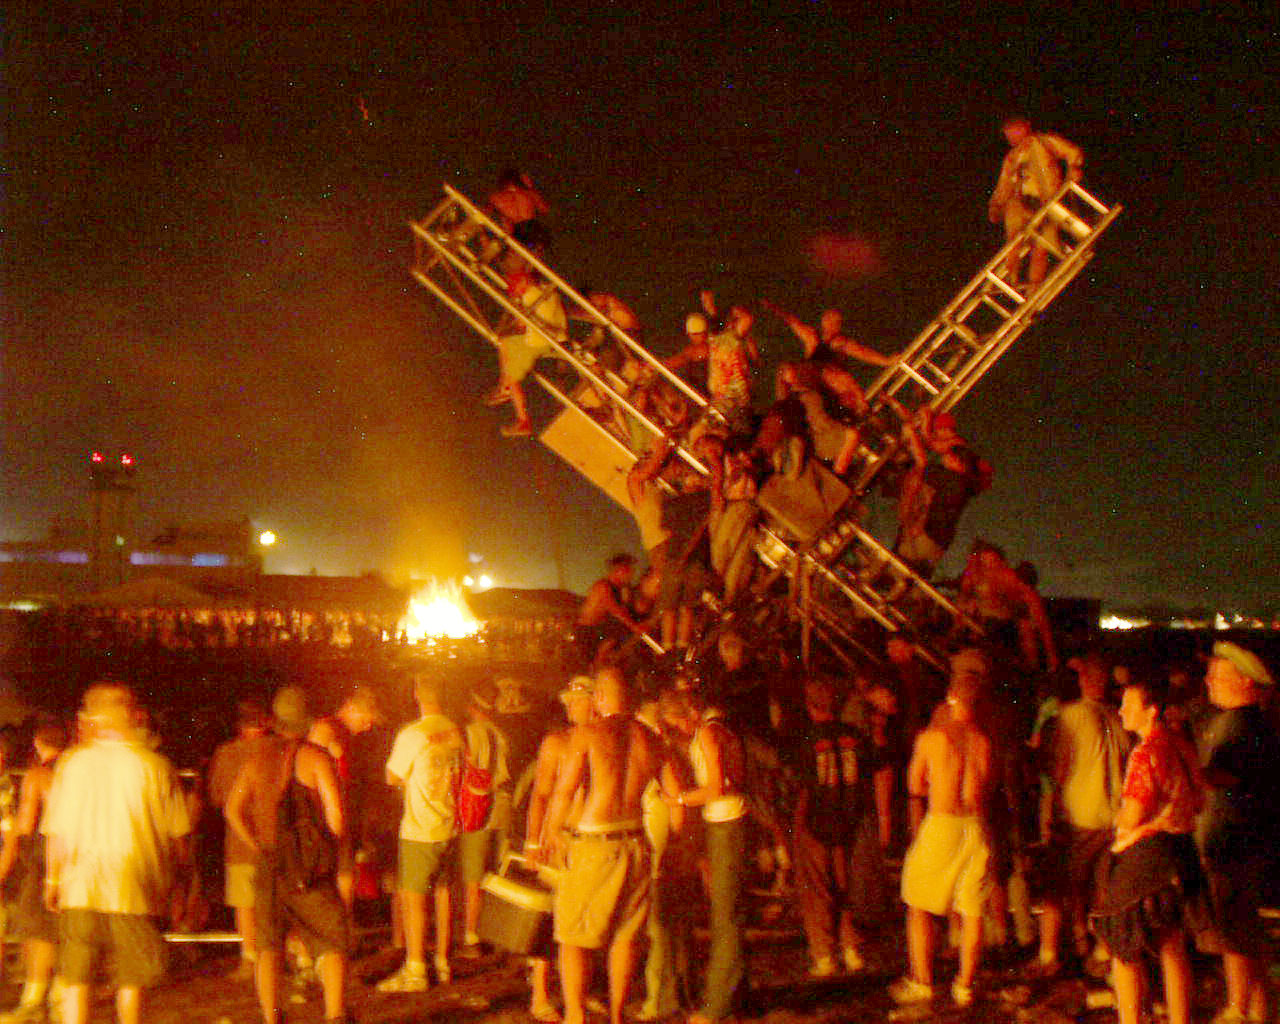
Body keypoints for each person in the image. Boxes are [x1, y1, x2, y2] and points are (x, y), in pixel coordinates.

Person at [42, 683, 192, 1024]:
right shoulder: (155, 766)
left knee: (77, 978)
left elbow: (58, 831)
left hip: (79, 883)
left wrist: (52, 879)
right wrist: (182, 883)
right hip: (134, 886)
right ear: (130, 715)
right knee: (132, 978)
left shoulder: (72, 764)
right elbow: (178, 836)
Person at [541, 670, 672, 1024]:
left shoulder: (588, 734)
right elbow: (674, 792)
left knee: (572, 936)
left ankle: (575, 1017)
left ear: (599, 697)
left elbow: (565, 790)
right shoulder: (651, 737)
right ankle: (616, 1017)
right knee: (626, 937)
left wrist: (551, 833)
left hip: (596, 845)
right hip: (636, 841)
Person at [224, 687, 350, 1024]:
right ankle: (335, 1015)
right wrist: (329, 849)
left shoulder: (256, 759)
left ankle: (271, 1017)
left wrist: (255, 845)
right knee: (330, 939)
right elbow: (336, 817)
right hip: (307, 867)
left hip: (268, 861)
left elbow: (233, 810)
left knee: (268, 946)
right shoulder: (316, 758)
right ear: (308, 722)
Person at [1091, 674, 1204, 1024]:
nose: (1121, 711)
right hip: (1181, 850)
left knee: (1124, 946)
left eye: (1128, 705)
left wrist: (1120, 821)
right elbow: (1198, 798)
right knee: (1172, 947)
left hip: (1147, 855)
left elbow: (1134, 813)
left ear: (1151, 711)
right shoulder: (1181, 745)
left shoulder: (1145, 752)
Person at [891, 649, 994, 1009]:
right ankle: (965, 985)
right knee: (971, 909)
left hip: (943, 822)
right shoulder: (982, 741)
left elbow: (915, 785)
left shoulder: (933, 737)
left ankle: (922, 981)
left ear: (950, 697)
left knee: (917, 902)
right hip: (975, 826)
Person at [1195, 642, 1279, 1024]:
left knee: (1235, 930)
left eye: (1217, 675)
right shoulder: (1242, 722)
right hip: (1239, 842)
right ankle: (1259, 1009)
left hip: (1234, 844)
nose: (1208, 681)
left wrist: (1180, 770)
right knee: (1242, 929)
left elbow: (1226, 775)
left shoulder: (1242, 725)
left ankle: (1237, 1009)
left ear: (1245, 681)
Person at [1035, 651, 1130, 975]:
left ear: (1084, 680)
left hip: (1077, 816)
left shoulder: (1070, 717)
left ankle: (1051, 954)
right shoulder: (1118, 717)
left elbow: (1058, 770)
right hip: (1112, 817)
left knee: (1059, 886)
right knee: (1103, 887)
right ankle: (1102, 950)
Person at [661, 688, 749, 1024]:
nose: (680, 730)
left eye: (679, 722)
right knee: (728, 912)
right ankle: (737, 996)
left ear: (691, 712)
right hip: (725, 824)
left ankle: (716, 1006)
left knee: (725, 917)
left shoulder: (710, 733)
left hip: (726, 823)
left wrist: (680, 800)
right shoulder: (716, 728)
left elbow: (716, 787)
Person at [377, 675, 463, 992]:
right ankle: (442, 960)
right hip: (449, 824)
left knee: (414, 899)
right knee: (443, 894)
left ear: (416, 695)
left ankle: (415, 969)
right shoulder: (455, 730)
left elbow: (392, 776)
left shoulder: (413, 733)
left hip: (420, 827)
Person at [523, 675, 597, 1023]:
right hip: (560, 840)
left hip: (592, 843)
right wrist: (533, 841)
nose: (569, 706)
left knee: (587, 922)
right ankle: (540, 993)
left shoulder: (604, 740)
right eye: (567, 700)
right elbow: (540, 794)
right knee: (549, 920)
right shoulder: (558, 742)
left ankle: (579, 995)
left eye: (576, 700)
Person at [793, 676, 875, 978]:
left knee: (817, 891)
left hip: (816, 822)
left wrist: (797, 828)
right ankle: (851, 950)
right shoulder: (853, 736)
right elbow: (869, 773)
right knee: (843, 887)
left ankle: (824, 956)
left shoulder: (808, 740)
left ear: (811, 705)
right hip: (847, 821)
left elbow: (803, 787)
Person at [0, 717, 68, 1023]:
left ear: (38, 743)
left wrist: (11, 855)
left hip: (41, 859)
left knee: (38, 931)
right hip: (75, 856)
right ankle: (59, 995)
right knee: (64, 929)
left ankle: (33, 1001)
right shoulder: (74, 772)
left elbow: (26, 825)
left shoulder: (38, 774)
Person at [206, 700, 273, 974]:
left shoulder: (226, 753)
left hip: (240, 840)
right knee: (277, 900)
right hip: (274, 837)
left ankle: (250, 957)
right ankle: (285, 954)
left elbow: (217, 796)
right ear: (266, 721)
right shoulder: (276, 748)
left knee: (244, 901)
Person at [987, 115, 1084, 290]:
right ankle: (1011, 275)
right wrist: (996, 205)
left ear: (1024, 127)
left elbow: (1072, 152)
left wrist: (1074, 169)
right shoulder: (1012, 158)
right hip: (1021, 201)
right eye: (1008, 133)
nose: (1012, 136)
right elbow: (1004, 185)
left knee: (1042, 246)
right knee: (1014, 238)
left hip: (1046, 201)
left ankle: (1034, 286)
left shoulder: (1043, 142)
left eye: (1014, 130)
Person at [458, 681, 511, 956]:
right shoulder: (501, 734)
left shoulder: (469, 734)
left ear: (471, 707)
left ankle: (472, 936)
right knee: (494, 871)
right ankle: (498, 931)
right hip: (501, 806)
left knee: (473, 875)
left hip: (478, 807)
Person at [488, 266, 569, 437]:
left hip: (538, 341)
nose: (516, 292)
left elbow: (520, 324)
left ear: (522, 283)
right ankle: (504, 386)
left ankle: (522, 419)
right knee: (506, 342)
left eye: (516, 287)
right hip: (556, 334)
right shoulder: (546, 290)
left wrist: (513, 320)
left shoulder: (528, 297)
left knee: (512, 374)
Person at [666, 306, 759, 435]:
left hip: (728, 402)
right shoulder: (717, 342)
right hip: (731, 401)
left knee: (699, 433)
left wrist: (732, 310)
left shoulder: (725, 340)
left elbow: (747, 319)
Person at [574, 554, 646, 667]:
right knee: (618, 629)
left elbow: (629, 608)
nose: (631, 574)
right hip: (588, 630)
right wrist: (635, 627)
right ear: (619, 571)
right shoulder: (604, 586)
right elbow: (616, 611)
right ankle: (598, 665)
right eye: (628, 571)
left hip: (599, 628)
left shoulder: (621, 589)